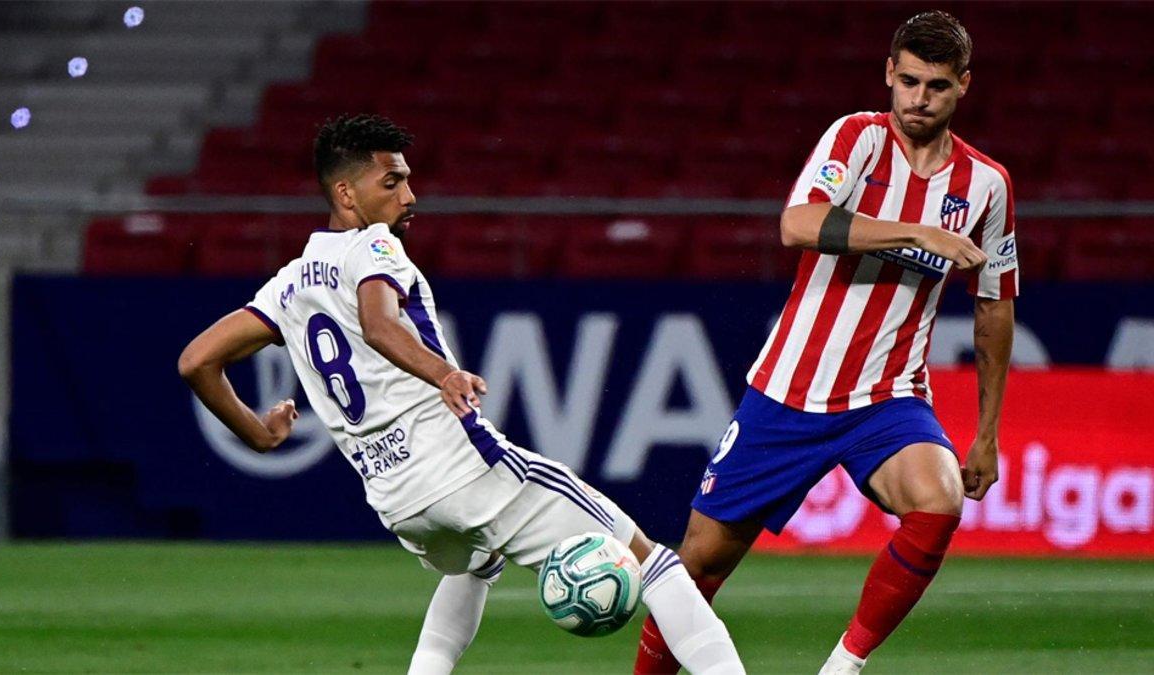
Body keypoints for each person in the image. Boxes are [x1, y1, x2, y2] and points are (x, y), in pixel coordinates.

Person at [178, 114, 745, 675]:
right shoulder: (373, 247)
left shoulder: (288, 283)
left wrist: (258, 433)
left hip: (398, 503)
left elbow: (196, 361)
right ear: (346, 193)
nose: (410, 196)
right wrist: (442, 375)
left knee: (476, 562)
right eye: (392, 182)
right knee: (654, 562)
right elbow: (378, 323)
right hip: (463, 468)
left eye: (407, 180)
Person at [634, 11, 1016, 675]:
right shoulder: (858, 139)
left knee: (940, 497)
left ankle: (842, 666)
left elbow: (995, 305)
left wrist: (986, 430)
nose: (918, 99)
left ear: (964, 87)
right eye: (908, 81)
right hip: (788, 391)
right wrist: (916, 233)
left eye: (936, 86)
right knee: (696, 567)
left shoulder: (987, 186)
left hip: (887, 397)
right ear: (888, 75)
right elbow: (798, 222)